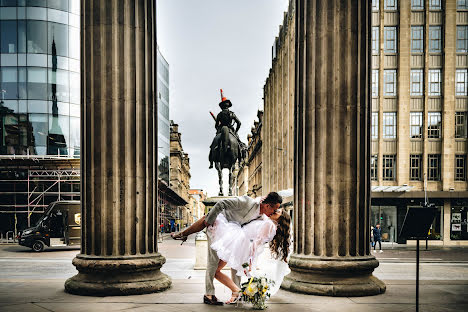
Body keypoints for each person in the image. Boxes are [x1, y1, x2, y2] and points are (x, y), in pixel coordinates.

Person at [171, 192, 284, 305]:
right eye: (274, 210)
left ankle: (236, 292)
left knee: (236, 261)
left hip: (232, 232)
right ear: (267, 205)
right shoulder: (247, 202)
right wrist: (209, 220)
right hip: (218, 224)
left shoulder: (261, 216)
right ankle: (208, 294)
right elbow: (222, 203)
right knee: (213, 261)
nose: (273, 213)